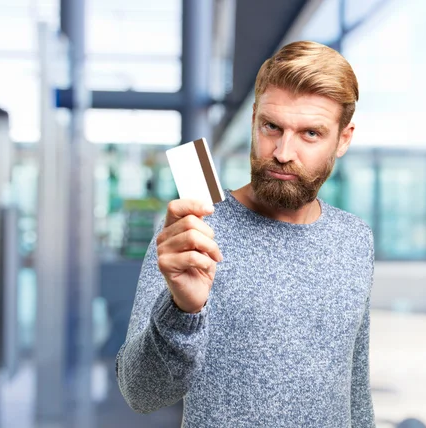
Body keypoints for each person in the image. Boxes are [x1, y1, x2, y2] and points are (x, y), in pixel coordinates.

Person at [116, 40, 375, 427]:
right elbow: (140, 393)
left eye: (310, 134)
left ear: (343, 139)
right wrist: (182, 310)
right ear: (254, 118)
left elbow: (355, 390)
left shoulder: (355, 239)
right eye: (272, 126)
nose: (283, 152)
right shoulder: (193, 232)